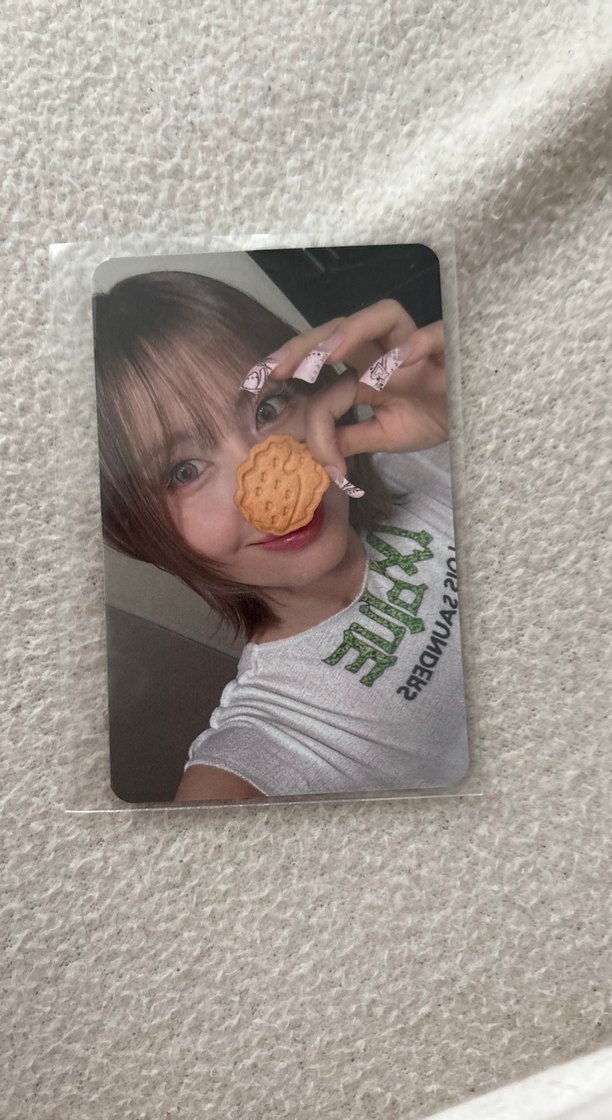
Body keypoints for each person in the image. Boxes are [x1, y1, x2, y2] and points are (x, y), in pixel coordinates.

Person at [93, 269, 468, 803]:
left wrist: (476, 415)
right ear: (140, 534)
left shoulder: (426, 455)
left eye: (267, 408)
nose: (267, 481)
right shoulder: (265, 746)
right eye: (183, 470)